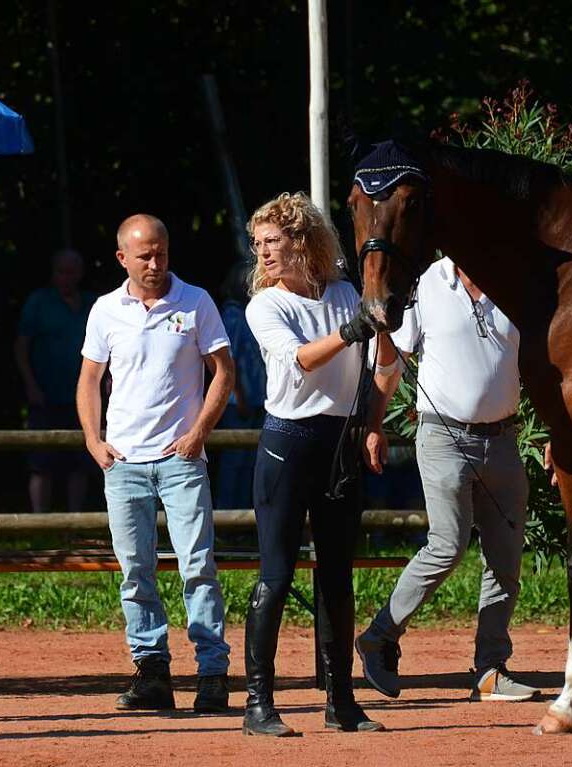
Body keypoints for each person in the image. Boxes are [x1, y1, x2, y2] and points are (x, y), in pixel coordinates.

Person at [357, 255, 540, 704]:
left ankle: (490, 671)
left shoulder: (515, 280)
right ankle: (380, 636)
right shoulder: (425, 283)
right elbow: (390, 361)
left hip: (503, 439)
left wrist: (554, 430)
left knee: (506, 559)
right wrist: (373, 425)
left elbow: (539, 363)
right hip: (443, 435)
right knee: (448, 544)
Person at [76, 214, 235, 713]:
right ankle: (152, 671)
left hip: (181, 458)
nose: (154, 262)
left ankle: (212, 674)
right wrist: (93, 442)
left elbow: (224, 373)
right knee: (135, 570)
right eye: (144, 254)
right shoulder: (105, 310)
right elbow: (88, 381)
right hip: (123, 463)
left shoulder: (196, 300)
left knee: (198, 566)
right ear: (123, 257)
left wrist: (197, 435)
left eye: (161, 252)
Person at [242, 192, 385, 737]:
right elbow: (300, 360)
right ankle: (259, 703)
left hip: (339, 444)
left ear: (302, 240)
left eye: (272, 241)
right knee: (276, 576)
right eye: (257, 245)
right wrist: (352, 330)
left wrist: (373, 420)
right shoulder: (266, 305)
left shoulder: (348, 292)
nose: (263, 253)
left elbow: (376, 365)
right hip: (288, 444)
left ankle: (341, 700)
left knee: (337, 578)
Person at [14, 248, 96, 512]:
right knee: (41, 461)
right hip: (45, 394)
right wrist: (30, 384)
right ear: (53, 273)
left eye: (72, 272)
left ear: (80, 274)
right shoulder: (38, 302)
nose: (66, 278)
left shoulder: (93, 304)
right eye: (62, 272)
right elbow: (21, 347)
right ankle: (39, 522)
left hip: (83, 395)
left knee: (80, 462)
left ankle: (74, 520)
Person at [214, 263, 266, 510]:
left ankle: (243, 517)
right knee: (234, 460)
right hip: (240, 402)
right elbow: (227, 359)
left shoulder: (246, 312)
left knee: (249, 460)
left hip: (256, 398)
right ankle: (227, 516)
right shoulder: (232, 316)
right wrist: (239, 396)